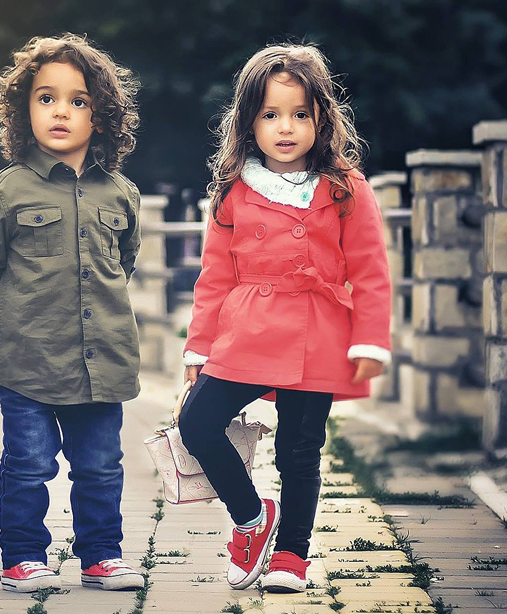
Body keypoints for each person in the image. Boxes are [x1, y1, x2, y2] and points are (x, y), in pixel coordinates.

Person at [178, 43, 391, 593]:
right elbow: (214, 277)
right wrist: (198, 350)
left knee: (301, 448)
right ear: (249, 122)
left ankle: (292, 555)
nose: (286, 127)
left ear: (322, 117)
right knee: (197, 422)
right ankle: (252, 519)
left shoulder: (344, 185)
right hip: (245, 328)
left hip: (317, 330)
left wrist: (369, 340)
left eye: (300, 114)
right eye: (270, 114)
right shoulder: (234, 190)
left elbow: (370, 269)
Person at [0, 33, 145, 593]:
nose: (61, 110)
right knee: (29, 465)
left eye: (78, 100)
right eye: (46, 98)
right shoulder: (3, 192)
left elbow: (124, 262)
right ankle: (22, 556)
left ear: (101, 116)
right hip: (29, 362)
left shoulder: (122, 195)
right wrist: (10, 326)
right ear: (24, 111)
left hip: (103, 362)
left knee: (100, 468)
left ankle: (102, 556)